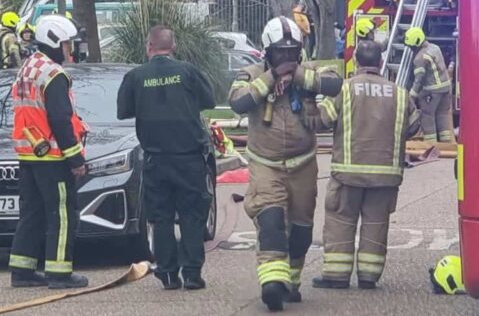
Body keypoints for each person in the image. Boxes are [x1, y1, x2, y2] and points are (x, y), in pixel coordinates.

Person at [228, 16, 342, 311]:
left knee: (302, 229)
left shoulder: (310, 71)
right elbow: (238, 101)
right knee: (271, 222)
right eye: (281, 52)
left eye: (293, 52)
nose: (288, 57)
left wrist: (300, 76)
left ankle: (291, 280)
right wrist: (270, 79)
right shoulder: (251, 73)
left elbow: (334, 82)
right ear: (267, 52)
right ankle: (271, 286)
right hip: (266, 164)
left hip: (303, 164)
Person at [313, 40, 420, 290]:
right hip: (385, 177)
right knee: (376, 225)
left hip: (347, 176)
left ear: (356, 62)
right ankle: (368, 277)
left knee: (341, 222)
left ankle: (336, 276)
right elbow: (414, 126)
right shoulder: (400, 93)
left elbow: (322, 120)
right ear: (381, 63)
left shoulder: (344, 90)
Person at [116, 26, 216, 291]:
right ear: (173, 46)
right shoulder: (189, 72)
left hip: (155, 160)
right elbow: (209, 100)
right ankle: (193, 274)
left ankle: (169, 274)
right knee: (192, 216)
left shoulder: (135, 76)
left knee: (160, 218)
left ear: (149, 47)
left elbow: (123, 111)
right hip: (189, 159)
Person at [8, 14, 90, 290]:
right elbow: (60, 119)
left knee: (31, 213)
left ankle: (22, 270)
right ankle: (59, 272)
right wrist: (75, 158)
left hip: (29, 154)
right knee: (63, 213)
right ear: (55, 41)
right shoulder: (54, 74)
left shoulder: (28, 67)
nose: (70, 50)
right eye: (67, 44)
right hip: (53, 156)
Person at [404, 27, 455, 143]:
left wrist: (412, 96)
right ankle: (445, 144)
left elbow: (419, 80)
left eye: (411, 46)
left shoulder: (420, 58)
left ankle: (430, 145)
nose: (410, 49)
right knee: (442, 115)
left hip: (431, 92)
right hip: (446, 88)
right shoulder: (435, 48)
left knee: (427, 117)